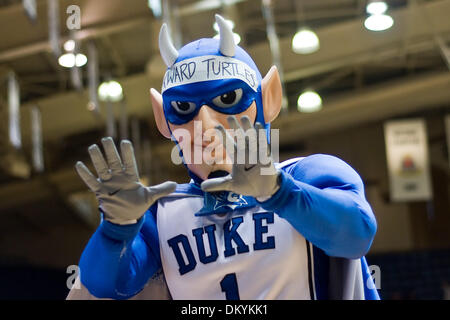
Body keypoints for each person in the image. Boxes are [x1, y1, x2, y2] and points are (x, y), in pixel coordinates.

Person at [68, 15, 379, 300]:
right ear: (163, 120)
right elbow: (105, 287)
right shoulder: (162, 213)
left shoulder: (311, 175)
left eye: (228, 99)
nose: (206, 127)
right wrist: (115, 230)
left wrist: (280, 192)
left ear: (268, 98)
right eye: (183, 109)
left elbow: (356, 236)